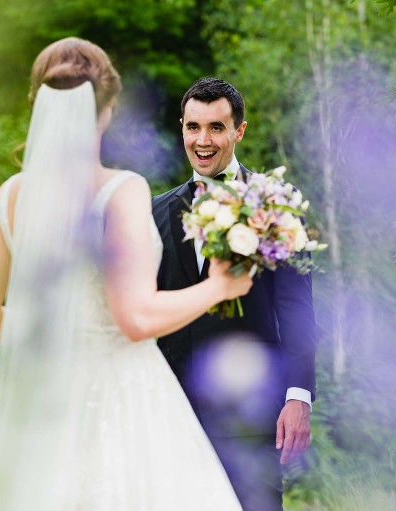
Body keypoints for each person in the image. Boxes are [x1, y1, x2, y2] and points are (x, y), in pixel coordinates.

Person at [0, 37, 251, 510]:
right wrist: (220, 285)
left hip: (39, 402)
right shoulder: (121, 190)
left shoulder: (11, 196)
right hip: (122, 399)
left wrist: (56, 335)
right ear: (110, 107)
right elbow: (135, 317)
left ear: (38, 102)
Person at [152, 77, 317, 511]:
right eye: (193, 127)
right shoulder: (153, 212)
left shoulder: (278, 207)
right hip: (173, 404)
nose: (202, 141)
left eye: (216, 128)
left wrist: (298, 396)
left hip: (255, 404)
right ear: (182, 128)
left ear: (239, 130)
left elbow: (297, 308)